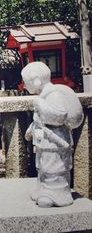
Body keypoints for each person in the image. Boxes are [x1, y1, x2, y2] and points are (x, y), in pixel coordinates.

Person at [22, 62, 83, 207]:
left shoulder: (53, 95)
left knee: (55, 168)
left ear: (36, 80)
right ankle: (43, 188)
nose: (23, 85)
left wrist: (40, 105)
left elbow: (59, 116)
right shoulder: (44, 96)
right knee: (43, 167)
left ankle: (56, 194)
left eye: (25, 82)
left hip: (56, 141)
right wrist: (31, 129)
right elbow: (39, 120)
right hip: (44, 141)